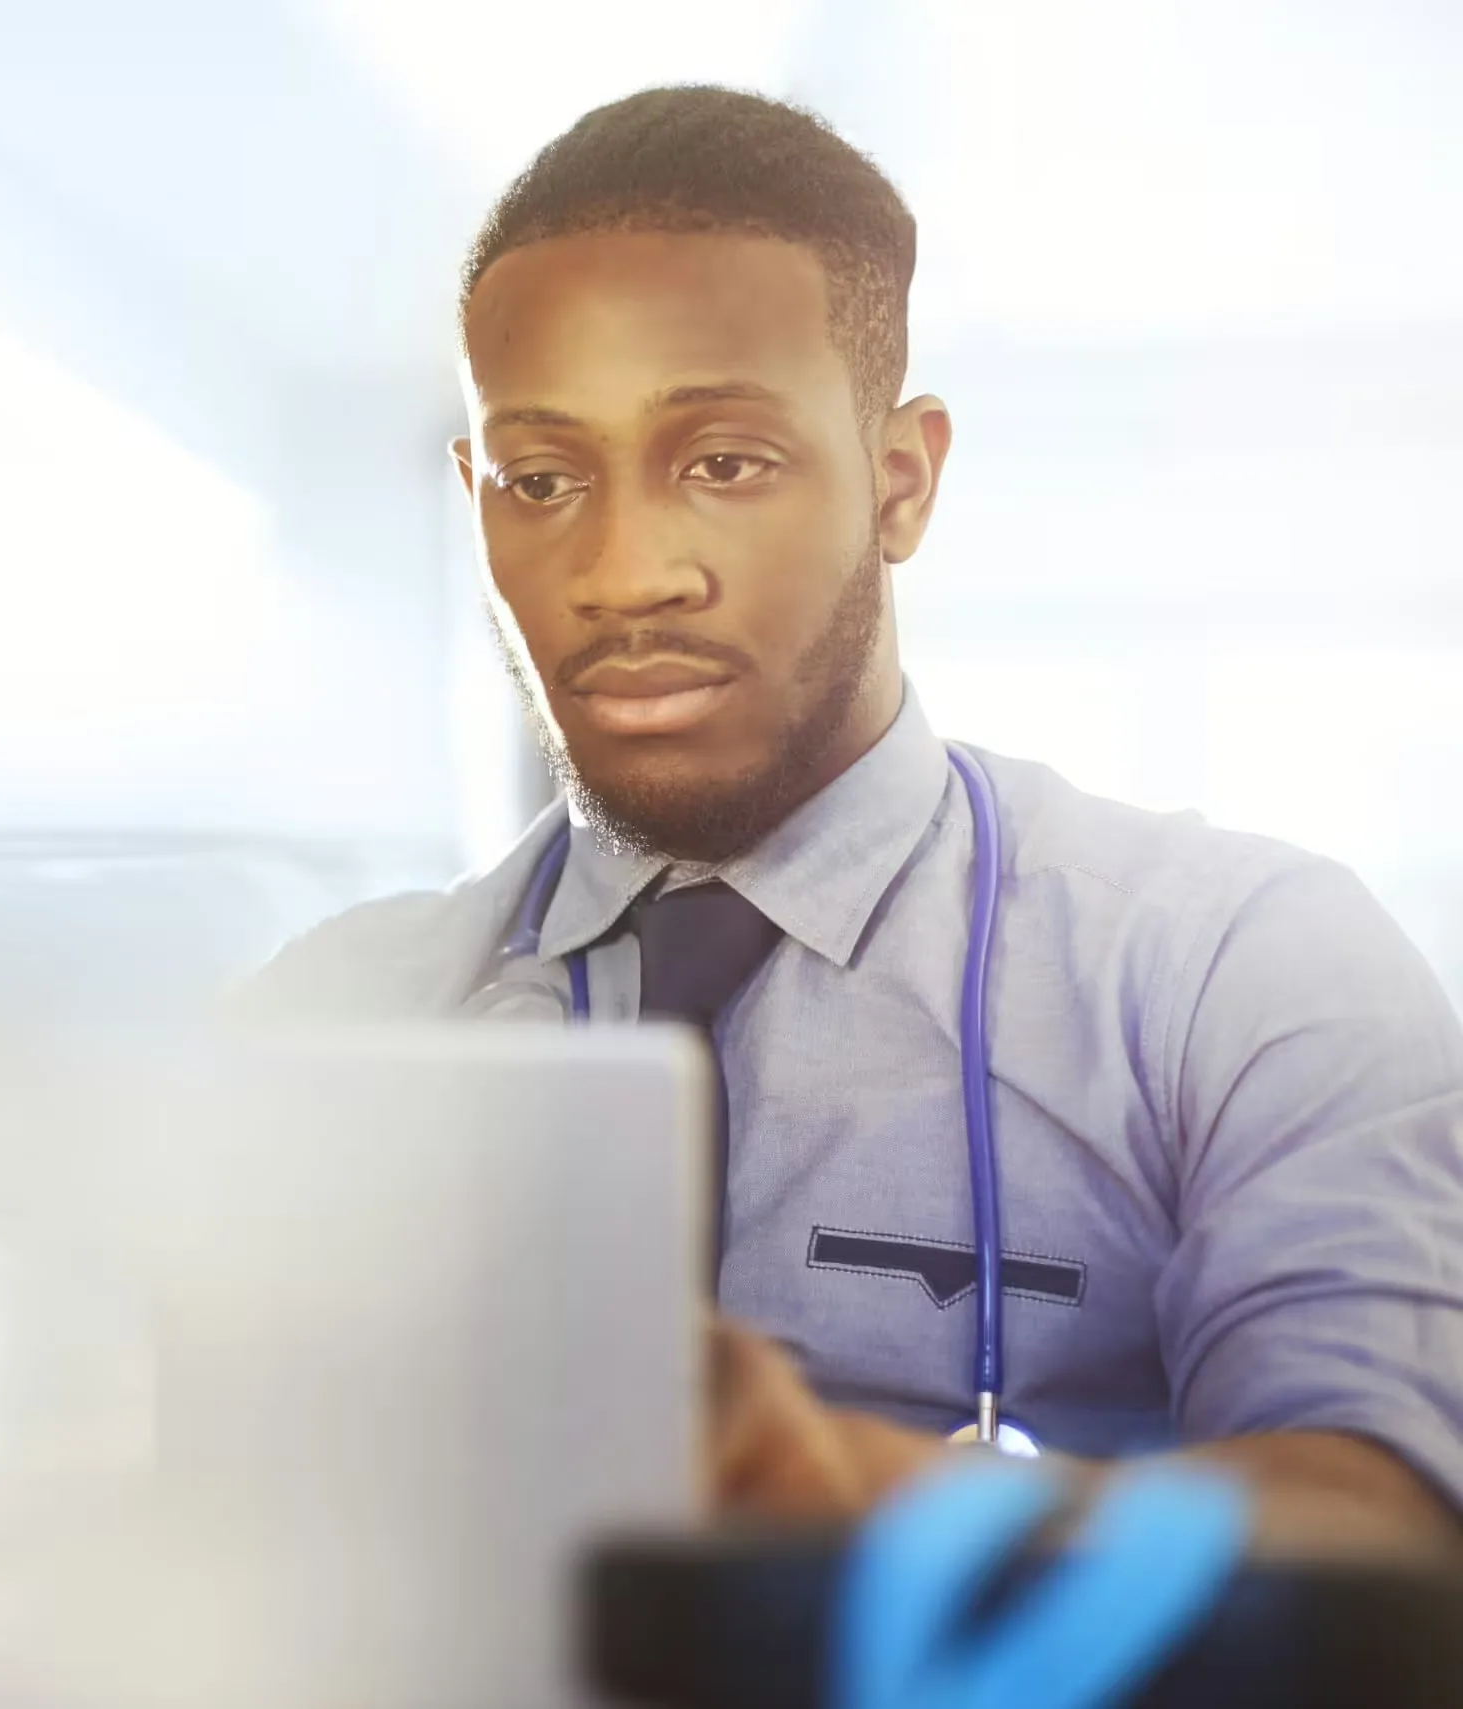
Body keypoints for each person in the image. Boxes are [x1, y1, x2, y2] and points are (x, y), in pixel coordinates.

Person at [237, 85, 1463, 1549]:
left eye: (723, 465)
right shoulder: (325, 1019)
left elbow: (1394, 1548)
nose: (625, 572)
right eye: (544, 480)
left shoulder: (1236, 971)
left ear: (901, 480)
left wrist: (853, 1493)